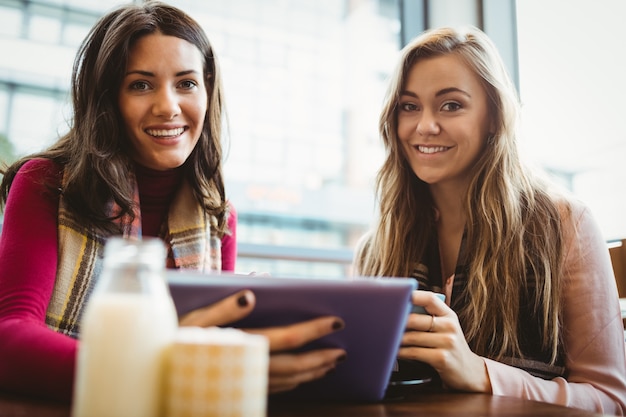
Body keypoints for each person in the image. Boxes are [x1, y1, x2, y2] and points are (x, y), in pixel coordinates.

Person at [0, 1, 346, 403]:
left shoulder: (218, 215)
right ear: (108, 99)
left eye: (186, 83)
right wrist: (158, 374)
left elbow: (209, 345)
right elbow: (9, 336)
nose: (168, 106)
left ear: (207, 91)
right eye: (141, 84)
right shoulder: (47, 182)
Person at [352, 26, 626, 415]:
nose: (425, 126)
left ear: (494, 117)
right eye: (409, 106)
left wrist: (479, 372)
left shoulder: (565, 225)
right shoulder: (375, 250)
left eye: (451, 105)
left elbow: (612, 401)